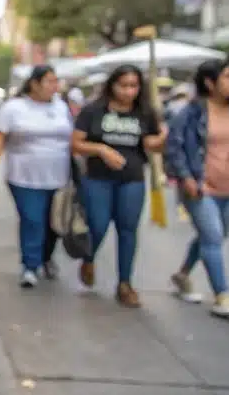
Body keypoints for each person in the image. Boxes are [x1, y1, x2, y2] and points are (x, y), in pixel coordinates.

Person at [70, 65, 165, 307]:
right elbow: (76, 144)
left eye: (133, 86)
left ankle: (125, 284)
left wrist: (164, 138)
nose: (128, 91)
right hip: (97, 177)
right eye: (123, 85)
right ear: (112, 85)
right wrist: (101, 149)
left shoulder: (144, 112)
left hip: (132, 177)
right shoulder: (93, 111)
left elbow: (151, 144)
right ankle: (88, 258)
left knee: (128, 229)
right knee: (98, 225)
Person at [164, 60, 229, 317]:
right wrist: (186, 177)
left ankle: (182, 275)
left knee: (213, 236)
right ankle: (222, 296)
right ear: (210, 83)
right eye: (227, 76)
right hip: (201, 186)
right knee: (212, 236)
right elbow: (174, 147)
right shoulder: (191, 113)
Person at [0, 65, 74, 288]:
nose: (54, 86)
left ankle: (46, 257)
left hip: (58, 175)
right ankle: (30, 265)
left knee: (54, 223)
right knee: (32, 219)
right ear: (34, 84)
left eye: (56, 81)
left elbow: (72, 137)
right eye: (49, 81)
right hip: (24, 176)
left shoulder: (61, 107)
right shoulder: (13, 108)